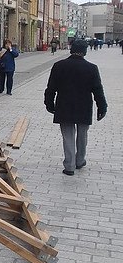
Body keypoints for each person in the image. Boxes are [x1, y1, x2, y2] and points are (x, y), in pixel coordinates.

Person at [44, 39, 107, 176]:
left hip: (64, 105)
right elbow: (98, 90)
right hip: (84, 106)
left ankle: (69, 165)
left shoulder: (59, 66)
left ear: (72, 50)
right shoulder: (91, 68)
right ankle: (80, 160)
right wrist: (102, 107)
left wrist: (49, 103)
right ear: (85, 51)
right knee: (82, 135)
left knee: (68, 136)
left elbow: (51, 88)